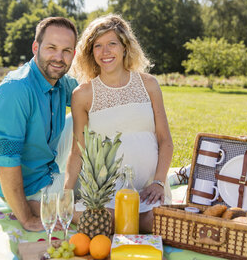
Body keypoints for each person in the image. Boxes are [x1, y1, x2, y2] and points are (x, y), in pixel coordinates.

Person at [64, 14, 173, 233]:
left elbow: (165, 141)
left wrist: (159, 183)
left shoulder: (148, 84)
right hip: (106, 197)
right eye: (98, 46)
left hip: (149, 193)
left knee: (158, 224)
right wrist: (66, 193)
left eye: (111, 44)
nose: (105, 52)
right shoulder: (83, 95)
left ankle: (138, 220)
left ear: (125, 46)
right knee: (107, 223)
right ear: (90, 52)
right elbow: (78, 150)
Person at [0, 17, 78, 232]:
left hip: (45, 167)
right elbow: (5, 158)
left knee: (84, 119)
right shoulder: (16, 90)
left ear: (73, 55)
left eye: (66, 51)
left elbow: (91, 95)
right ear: (36, 47)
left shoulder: (60, 81)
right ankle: (32, 205)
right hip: (26, 186)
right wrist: (26, 218)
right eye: (51, 48)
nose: (59, 57)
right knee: (90, 195)